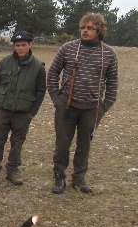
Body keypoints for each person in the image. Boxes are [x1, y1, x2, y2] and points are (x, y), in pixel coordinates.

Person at [47, 12, 118, 194]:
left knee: (84, 144)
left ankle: (79, 179)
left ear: (99, 31)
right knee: (62, 143)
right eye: (83, 27)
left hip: (92, 109)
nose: (85, 31)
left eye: (90, 28)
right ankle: (59, 177)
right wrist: (56, 99)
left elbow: (112, 83)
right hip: (67, 107)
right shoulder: (68, 48)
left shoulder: (108, 53)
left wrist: (104, 106)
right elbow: (53, 72)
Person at [0, 31, 46, 186]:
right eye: (17, 46)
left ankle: (13, 171)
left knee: (17, 143)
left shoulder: (38, 66)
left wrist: (32, 112)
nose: (20, 48)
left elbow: (41, 90)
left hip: (23, 112)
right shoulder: (4, 62)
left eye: (23, 45)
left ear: (30, 44)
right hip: (3, 109)